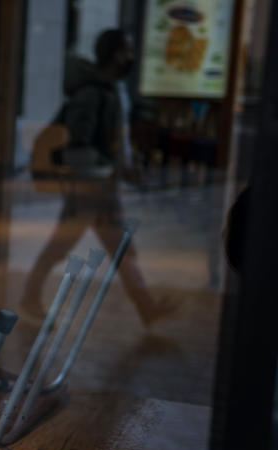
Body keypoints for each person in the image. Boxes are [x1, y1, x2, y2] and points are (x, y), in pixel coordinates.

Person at [20, 29, 177, 326]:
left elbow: (113, 141)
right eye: (127, 50)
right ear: (115, 54)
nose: (131, 56)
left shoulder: (110, 89)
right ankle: (146, 307)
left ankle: (147, 307)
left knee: (119, 248)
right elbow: (79, 143)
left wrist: (125, 165)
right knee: (68, 245)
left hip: (101, 186)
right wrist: (115, 167)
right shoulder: (92, 93)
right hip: (90, 187)